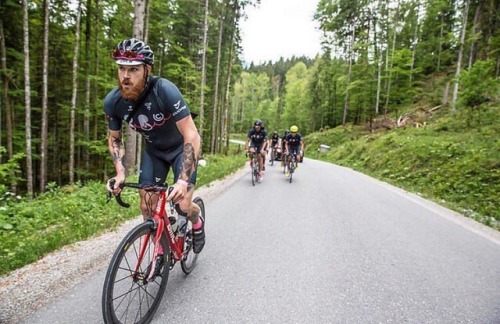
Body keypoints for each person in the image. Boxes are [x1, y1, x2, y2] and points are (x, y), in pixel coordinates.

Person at [104, 38, 205, 257]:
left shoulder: (164, 90)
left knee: (183, 207)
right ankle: (159, 252)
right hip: (154, 152)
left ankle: (197, 221)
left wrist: (182, 180)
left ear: (147, 69)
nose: (126, 76)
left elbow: (191, 134)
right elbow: (115, 139)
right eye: (121, 69)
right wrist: (120, 172)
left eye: (133, 70)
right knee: (147, 207)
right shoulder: (113, 101)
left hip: (181, 149)